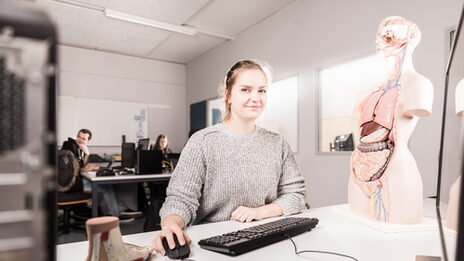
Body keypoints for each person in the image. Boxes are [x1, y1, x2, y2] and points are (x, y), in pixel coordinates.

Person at [152, 59, 307, 254]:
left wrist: (259, 212)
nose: (256, 97)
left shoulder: (278, 143)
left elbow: (296, 194)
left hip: (267, 239)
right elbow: (181, 199)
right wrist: (170, 225)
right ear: (228, 95)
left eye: (262, 90)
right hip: (213, 244)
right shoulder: (202, 142)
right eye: (245, 90)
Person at [348, 16, 433, 224]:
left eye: (388, 35)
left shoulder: (418, 85)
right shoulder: (365, 93)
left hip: (395, 170)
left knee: (395, 245)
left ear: (410, 39)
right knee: (357, 233)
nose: (379, 41)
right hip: (358, 169)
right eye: (378, 36)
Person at [61, 129, 141, 220]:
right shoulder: (69, 146)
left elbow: (80, 165)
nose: (80, 140)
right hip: (72, 184)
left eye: (83, 138)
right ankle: (118, 214)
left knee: (107, 185)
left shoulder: (78, 148)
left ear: (88, 141)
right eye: (79, 137)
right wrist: (83, 169)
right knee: (106, 187)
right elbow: (70, 170)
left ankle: (120, 210)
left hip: (75, 181)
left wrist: (87, 156)